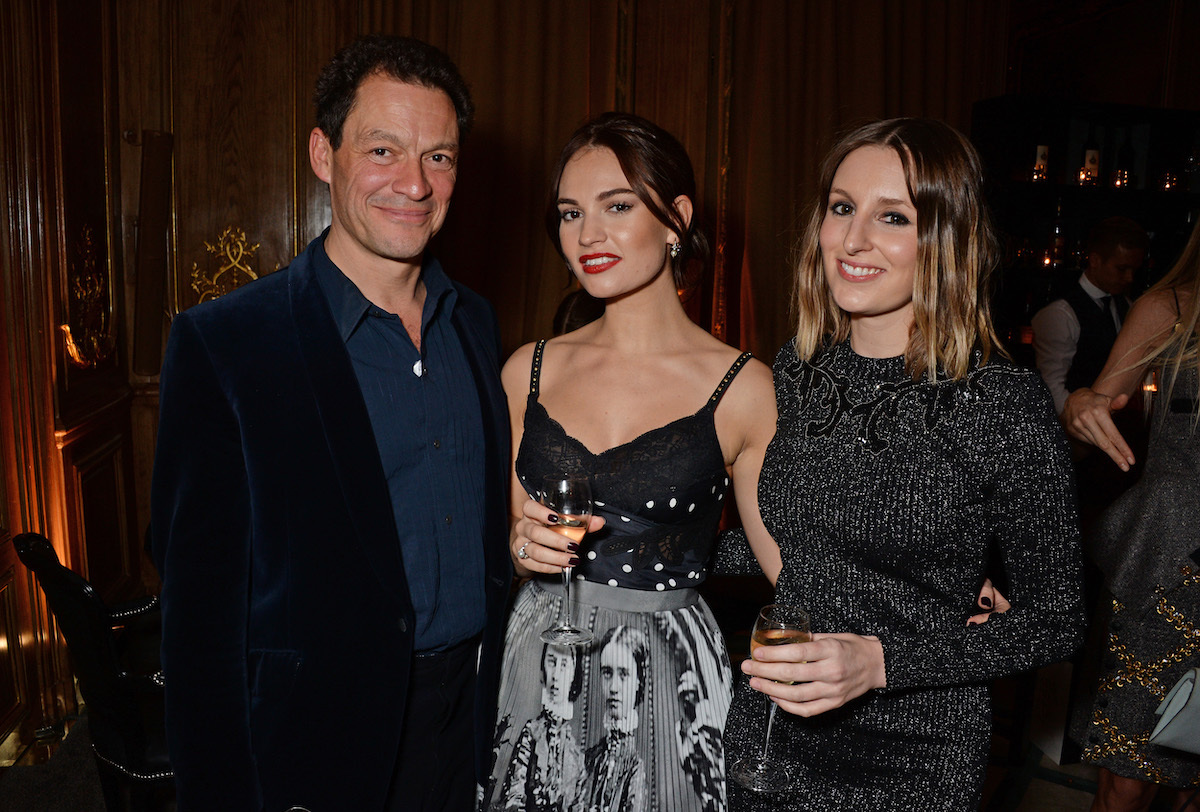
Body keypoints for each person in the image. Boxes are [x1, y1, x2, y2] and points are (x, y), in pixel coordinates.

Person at [151, 35, 512, 811]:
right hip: (316, 745)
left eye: (440, 157)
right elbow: (197, 629)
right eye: (383, 149)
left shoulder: (477, 326)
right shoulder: (226, 345)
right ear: (325, 154)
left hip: (472, 723)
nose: (414, 183)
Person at [722, 117, 1087, 810]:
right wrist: (639, 537)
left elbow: (1059, 617)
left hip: (915, 754)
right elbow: (796, 543)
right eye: (841, 208)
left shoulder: (999, 401)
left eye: (893, 216)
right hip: (770, 727)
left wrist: (881, 663)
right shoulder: (796, 370)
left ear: (947, 238)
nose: (854, 240)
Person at [479, 112, 778, 812]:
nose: (587, 235)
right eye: (570, 213)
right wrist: (521, 545)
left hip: (668, 675)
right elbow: (504, 541)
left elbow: (787, 563)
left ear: (676, 218)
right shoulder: (529, 370)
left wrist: (922, 583)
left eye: (616, 206)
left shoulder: (743, 387)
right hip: (538, 663)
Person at [1062, 217, 1200, 812]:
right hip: (1171, 555)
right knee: (1131, 767)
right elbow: (1094, 406)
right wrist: (1080, 405)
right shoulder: (1171, 307)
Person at [1032, 216, 1148, 415]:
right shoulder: (1059, 314)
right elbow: (1051, 389)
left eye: (1134, 270)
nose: (1129, 278)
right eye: (1122, 269)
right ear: (1094, 260)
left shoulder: (1126, 305)